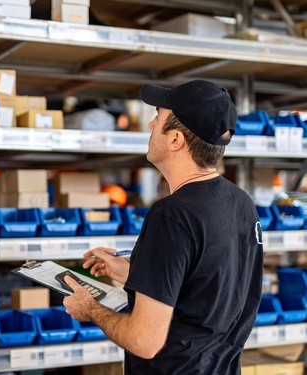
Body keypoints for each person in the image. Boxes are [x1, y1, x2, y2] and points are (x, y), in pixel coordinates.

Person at [63, 80, 264, 374]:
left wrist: (90, 308)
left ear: (176, 140)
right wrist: (132, 272)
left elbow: (144, 341)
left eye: (158, 117)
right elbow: (205, 290)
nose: (150, 124)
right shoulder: (241, 203)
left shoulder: (171, 215)